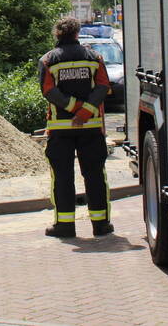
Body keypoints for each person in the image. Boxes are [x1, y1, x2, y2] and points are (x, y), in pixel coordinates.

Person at [38, 16, 113, 238]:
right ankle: (100, 225)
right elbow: (103, 86)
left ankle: (65, 225)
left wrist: (73, 108)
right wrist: (85, 110)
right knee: (95, 175)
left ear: (57, 34)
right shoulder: (94, 57)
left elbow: (49, 91)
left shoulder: (48, 60)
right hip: (91, 127)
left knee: (62, 176)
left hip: (61, 129)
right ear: (77, 33)